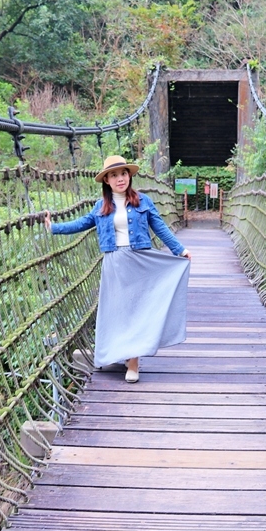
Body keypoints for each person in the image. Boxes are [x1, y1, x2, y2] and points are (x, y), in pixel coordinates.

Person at [44, 155, 192, 383]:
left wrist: (179, 250)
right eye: (113, 175)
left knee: (136, 310)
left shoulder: (143, 201)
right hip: (114, 263)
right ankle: (120, 353)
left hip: (140, 261)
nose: (120, 178)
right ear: (107, 181)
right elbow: (82, 223)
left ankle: (133, 362)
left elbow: (159, 226)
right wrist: (54, 228)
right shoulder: (101, 207)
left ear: (129, 176)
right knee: (117, 312)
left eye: (123, 173)